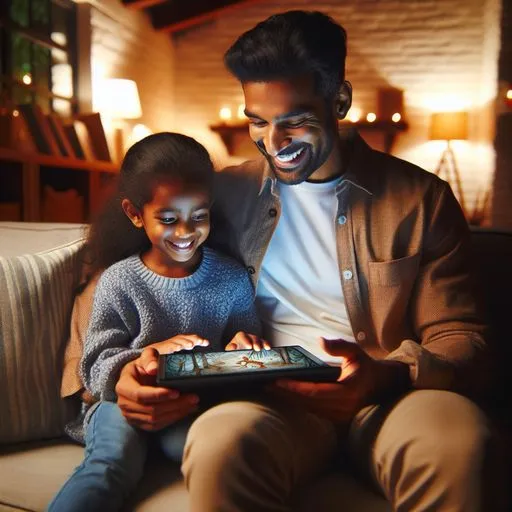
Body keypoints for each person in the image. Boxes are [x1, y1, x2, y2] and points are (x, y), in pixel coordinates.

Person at [60, 10, 496, 512]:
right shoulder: (224, 193)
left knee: (459, 445)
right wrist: (122, 375)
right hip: (270, 399)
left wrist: (385, 375)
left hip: (392, 395)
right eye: (259, 122)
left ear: (340, 101)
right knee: (221, 444)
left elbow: (464, 337)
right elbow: (114, 276)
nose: (274, 142)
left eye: (294, 121)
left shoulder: (422, 200)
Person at [48, 132, 267, 512]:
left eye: (199, 216)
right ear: (135, 213)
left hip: (193, 404)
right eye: (168, 219)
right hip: (120, 404)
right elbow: (96, 364)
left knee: (218, 456)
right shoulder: (120, 280)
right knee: (109, 465)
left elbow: (245, 349)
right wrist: (145, 355)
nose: (185, 232)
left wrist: (243, 344)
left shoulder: (231, 279)